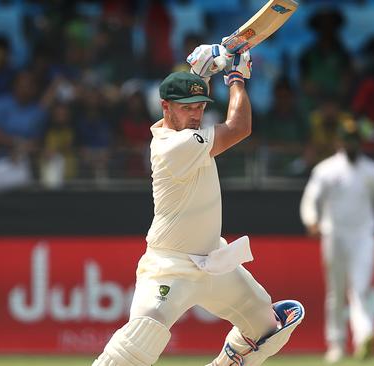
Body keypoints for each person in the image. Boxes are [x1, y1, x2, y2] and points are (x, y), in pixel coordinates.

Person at [92, 45, 304, 366]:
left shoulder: (190, 132)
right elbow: (239, 128)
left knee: (269, 327)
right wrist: (235, 78)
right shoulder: (173, 145)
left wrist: (201, 70)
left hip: (215, 261)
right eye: (187, 107)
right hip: (170, 266)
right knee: (137, 345)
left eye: (201, 106)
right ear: (165, 107)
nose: (196, 114)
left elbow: (195, 101)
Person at [300, 120, 374, 364]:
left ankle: (365, 335)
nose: (351, 145)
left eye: (355, 141)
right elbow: (310, 198)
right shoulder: (326, 169)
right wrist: (312, 220)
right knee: (336, 291)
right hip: (334, 234)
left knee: (360, 288)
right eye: (347, 140)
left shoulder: (372, 170)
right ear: (339, 142)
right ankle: (336, 344)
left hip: (364, 236)